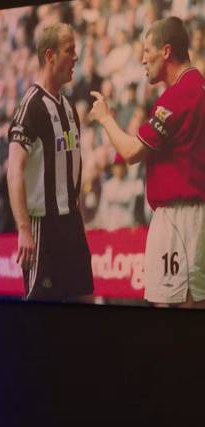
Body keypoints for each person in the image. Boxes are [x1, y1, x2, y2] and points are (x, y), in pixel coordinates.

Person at [90, 16, 205, 308]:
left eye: (146, 51)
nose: (142, 59)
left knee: (179, 306)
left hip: (181, 219)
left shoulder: (178, 96)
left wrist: (105, 118)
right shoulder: (199, 87)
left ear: (166, 51)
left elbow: (130, 152)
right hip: (193, 214)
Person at [7, 22, 94, 301]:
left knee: (85, 299)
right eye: (70, 50)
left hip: (72, 225)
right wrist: (23, 229)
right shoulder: (31, 106)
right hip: (43, 228)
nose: (76, 57)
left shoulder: (68, 107)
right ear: (50, 56)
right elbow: (14, 169)